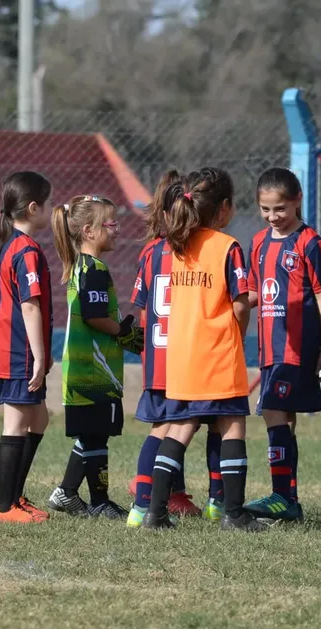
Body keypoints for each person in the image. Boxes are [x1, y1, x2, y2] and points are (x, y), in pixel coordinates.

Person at [140, 167, 265, 532]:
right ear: (225, 209)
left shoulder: (178, 246)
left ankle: (155, 511)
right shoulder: (227, 247)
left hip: (181, 355)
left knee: (179, 429)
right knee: (231, 427)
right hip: (217, 352)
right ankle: (234, 512)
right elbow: (240, 302)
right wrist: (236, 337)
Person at [127, 170, 224, 527]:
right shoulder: (199, 251)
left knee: (159, 430)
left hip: (156, 357)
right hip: (188, 358)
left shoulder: (152, 252)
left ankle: (140, 506)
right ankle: (219, 501)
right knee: (214, 423)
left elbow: (142, 309)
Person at [244, 168, 321, 523]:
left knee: (273, 412)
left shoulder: (310, 243)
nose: (272, 217)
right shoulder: (258, 243)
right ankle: (289, 499)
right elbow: (252, 292)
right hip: (269, 349)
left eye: (279, 208)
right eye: (265, 209)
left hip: (297, 350)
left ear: (296, 201)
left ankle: (282, 497)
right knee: (284, 420)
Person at [47, 195, 140, 520]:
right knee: (94, 435)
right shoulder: (93, 269)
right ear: (89, 231)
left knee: (93, 435)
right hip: (91, 373)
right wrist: (124, 333)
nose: (116, 230)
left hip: (88, 370)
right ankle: (91, 498)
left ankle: (70, 493)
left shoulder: (85, 266)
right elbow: (94, 316)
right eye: (111, 224)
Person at [0, 171, 54, 524]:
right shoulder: (24, 250)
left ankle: (15, 496)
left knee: (39, 416)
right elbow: (29, 305)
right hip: (16, 353)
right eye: (48, 203)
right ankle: (4, 507)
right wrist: (39, 355)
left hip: (14, 351)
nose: (51, 210)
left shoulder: (14, 245)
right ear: (34, 207)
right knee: (17, 422)